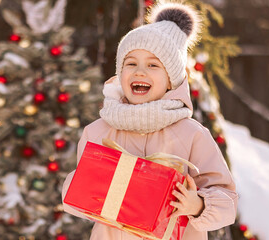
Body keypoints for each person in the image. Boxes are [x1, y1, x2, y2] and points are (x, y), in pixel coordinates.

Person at [61, 2, 238, 239]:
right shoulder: (98, 132)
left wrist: (197, 205)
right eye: (131, 63)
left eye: (153, 65)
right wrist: (89, 183)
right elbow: (74, 199)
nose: (139, 72)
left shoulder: (191, 135)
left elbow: (228, 203)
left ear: (170, 81)